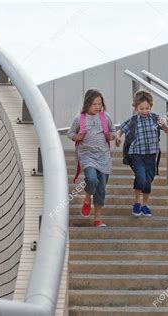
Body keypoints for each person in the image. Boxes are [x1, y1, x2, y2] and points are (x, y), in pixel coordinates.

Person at [115, 89, 168, 217]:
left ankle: (145, 205)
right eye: (141, 108)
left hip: (151, 155)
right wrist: (118, 136)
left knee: (148, 181)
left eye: (147, 108)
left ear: (150, 106)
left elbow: (167, 131)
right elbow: (121, 129)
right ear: (136, 108)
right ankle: (137, 203)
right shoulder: (133, 120)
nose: (144, 111)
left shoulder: (156, 118)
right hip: (137, 155)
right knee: (141, 177)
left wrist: (165, 125)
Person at [67, 88, 115, 227]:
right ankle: (87, 198)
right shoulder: (79, 119)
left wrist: (111, 136)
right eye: (94, 104)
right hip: (87, 155)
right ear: (87, 104)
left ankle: (97, 218)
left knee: (101, 189)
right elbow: (70, 133)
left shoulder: (106, 117)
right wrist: (77, 137)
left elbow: (113, 132)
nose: (97, 107)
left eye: (99, 104)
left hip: (103, 156)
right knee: (92, 179)